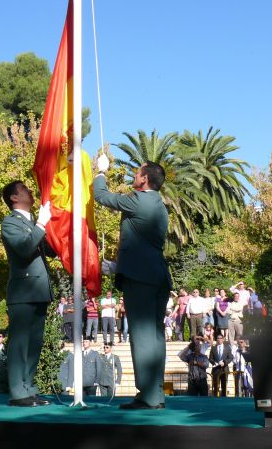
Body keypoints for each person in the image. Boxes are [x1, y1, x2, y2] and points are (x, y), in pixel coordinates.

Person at [94, 157, 172, 410]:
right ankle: (155, 394)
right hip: (156, 274)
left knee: (142, 336)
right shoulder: (159, 204)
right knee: (156, 336)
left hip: (141, 279)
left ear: (145, 179)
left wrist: (101, 172)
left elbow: (102, 196)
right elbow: (144, 246)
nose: (134, 176)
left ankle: (148, 396)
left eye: (137, 174)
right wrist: (119, 266)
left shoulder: (139, 199)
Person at [1, 180, 54, 407]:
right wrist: (41, 223)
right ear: (14, 198)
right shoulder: (9, 222)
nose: (31, 191)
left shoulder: (33, 222)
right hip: (23, 290)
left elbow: (50, 250)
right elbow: (24, 248)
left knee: (34, 344)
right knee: (20, 343)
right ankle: (17, 392)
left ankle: (29, 389)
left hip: (39, 289)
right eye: (24, 190)